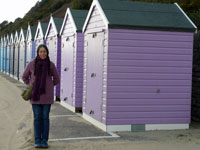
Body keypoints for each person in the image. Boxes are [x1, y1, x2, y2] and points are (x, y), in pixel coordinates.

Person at [22, 44, 60, 148]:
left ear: (47, 53)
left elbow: (57, 79)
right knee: (37, 118)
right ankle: (37, 140)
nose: (43, 53)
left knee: (45, 118)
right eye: (41, 51)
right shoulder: (32, 64)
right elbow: (24, 76)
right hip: (35, 96)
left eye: (44, 51)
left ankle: (45, 141)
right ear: (38, 53)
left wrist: (49, 85)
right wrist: (30, 85)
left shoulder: (50, 65)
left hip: (47, 97)